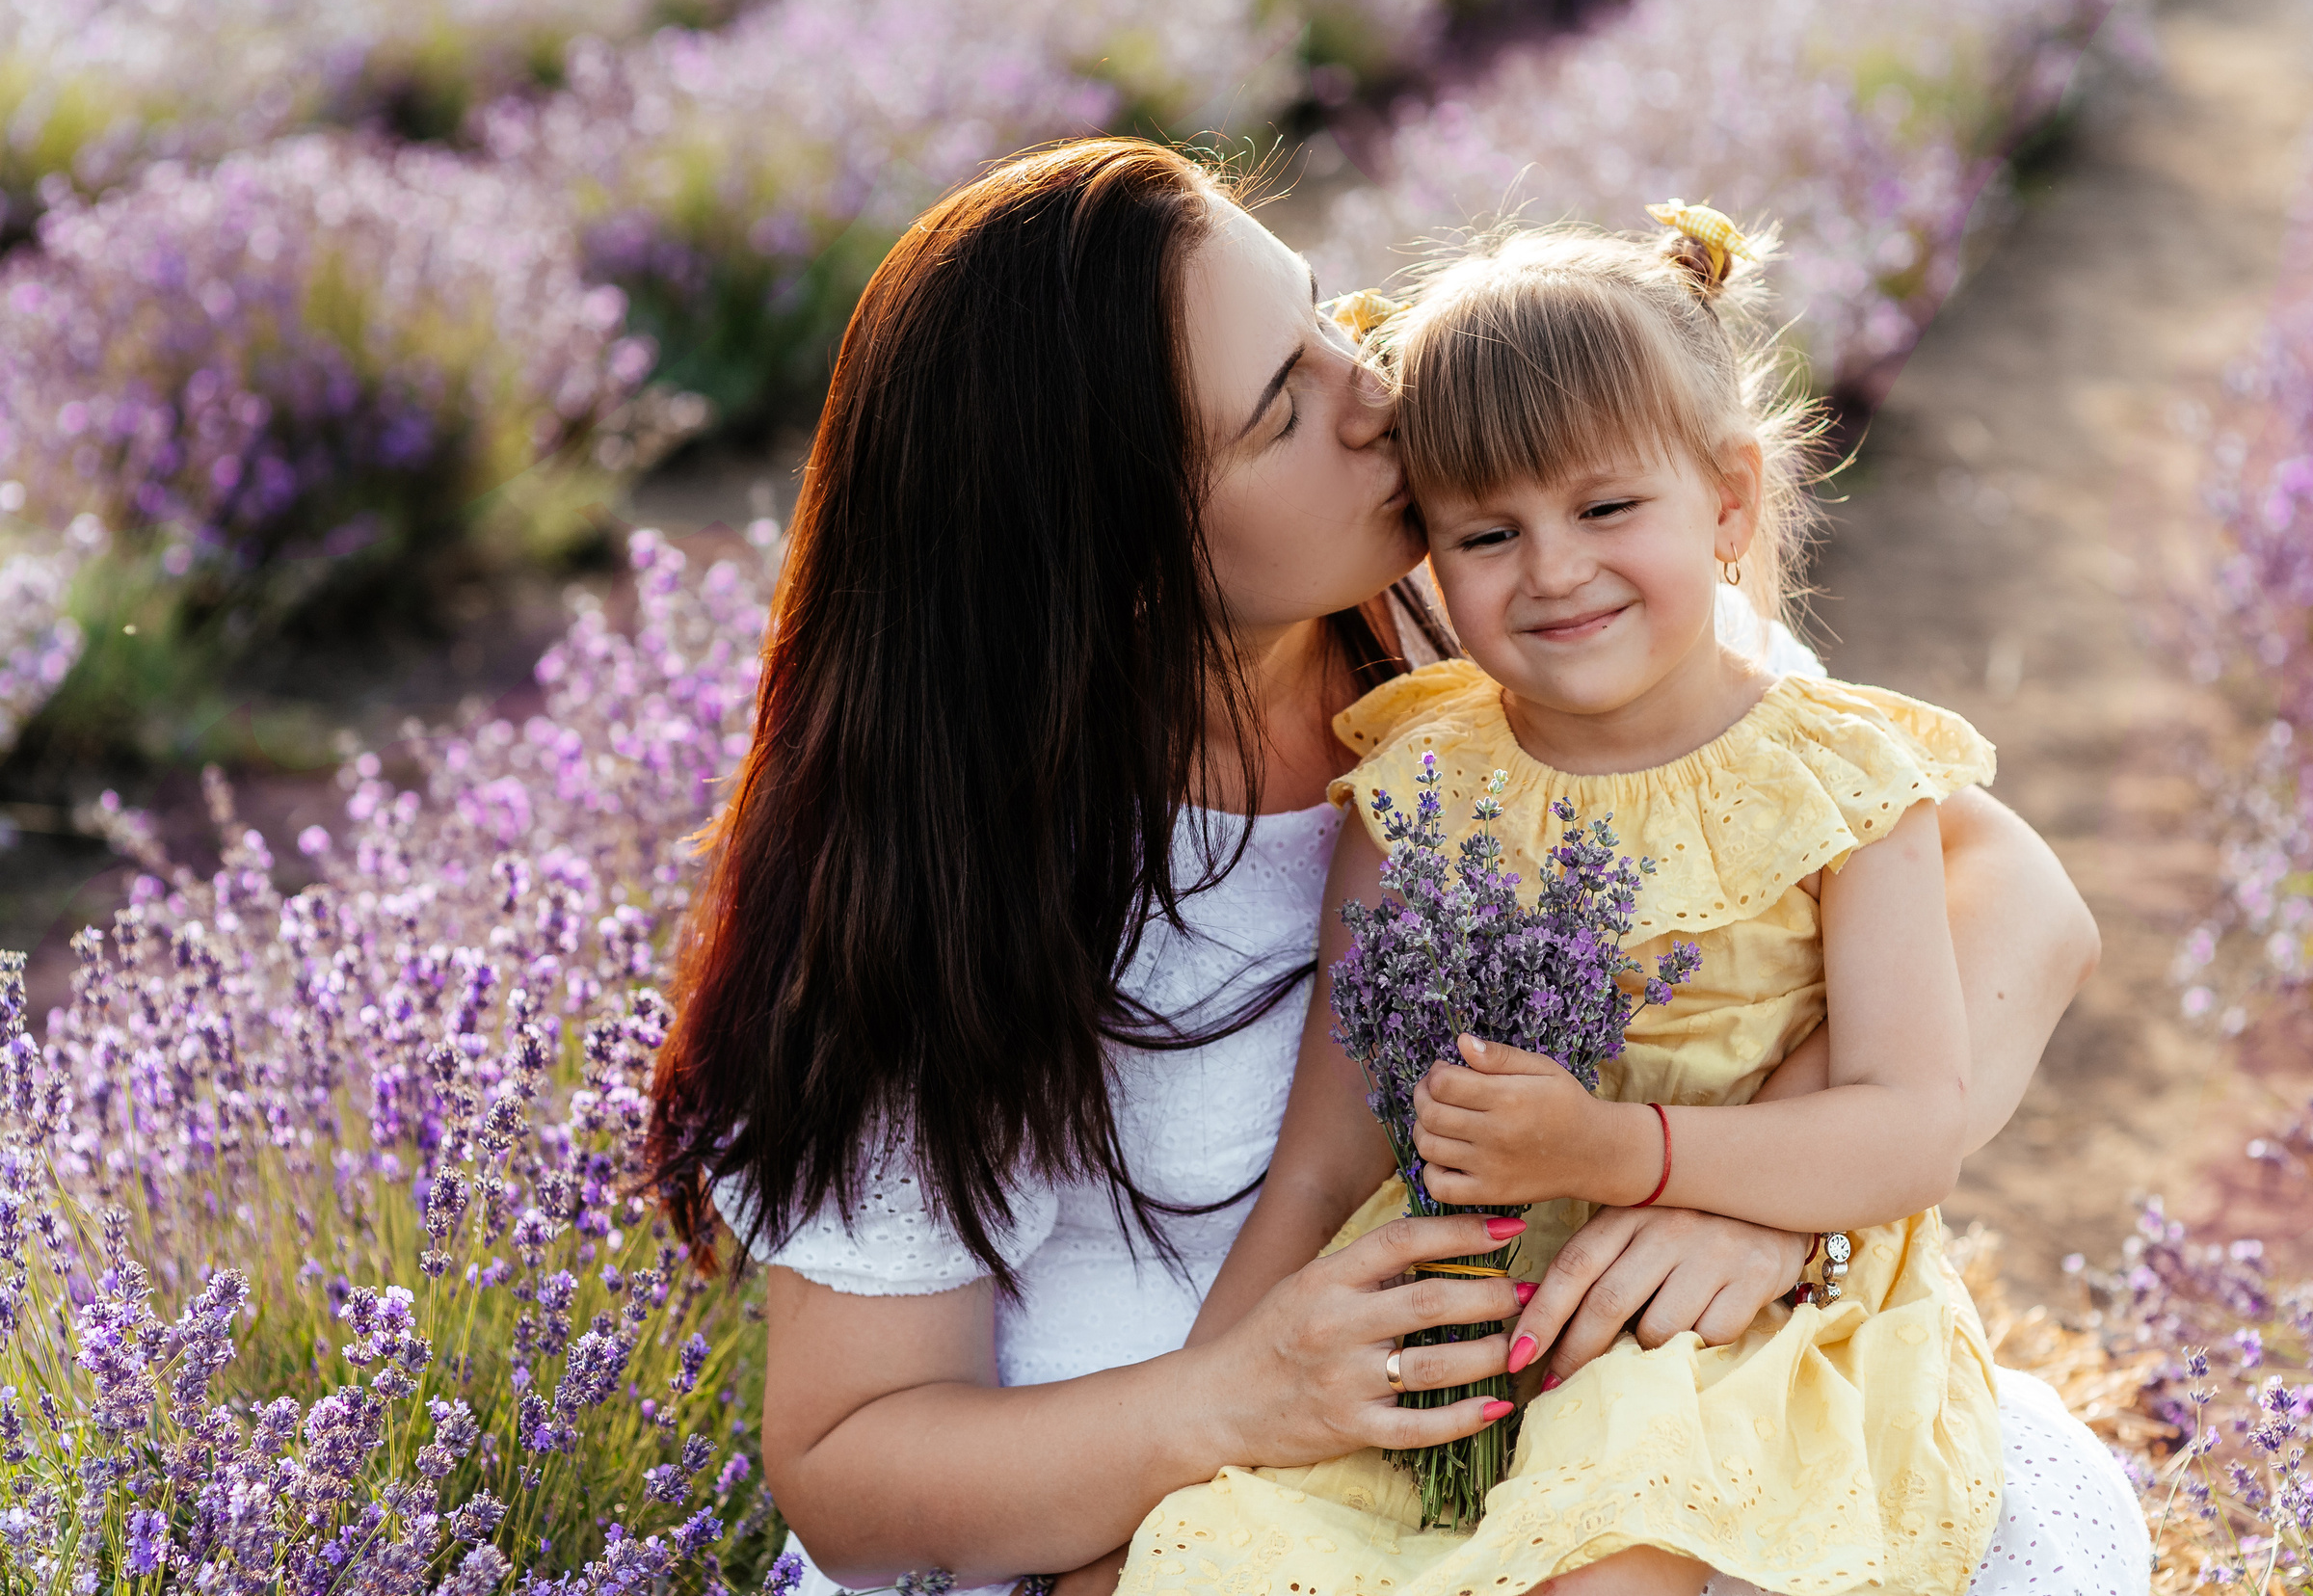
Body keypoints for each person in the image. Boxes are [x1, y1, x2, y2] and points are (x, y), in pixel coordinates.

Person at [646, 140, 2134, 1596]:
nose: (1375, 387)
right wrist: (1226, 1411)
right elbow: (850, 1471)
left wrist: (1739, 1192)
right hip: (1157, 1511)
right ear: (1121, 555)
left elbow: (2012, 903)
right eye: (1282, 405)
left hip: (1580, 1424)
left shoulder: (1515, 617)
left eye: (1320, 314)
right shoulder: (949, 879)